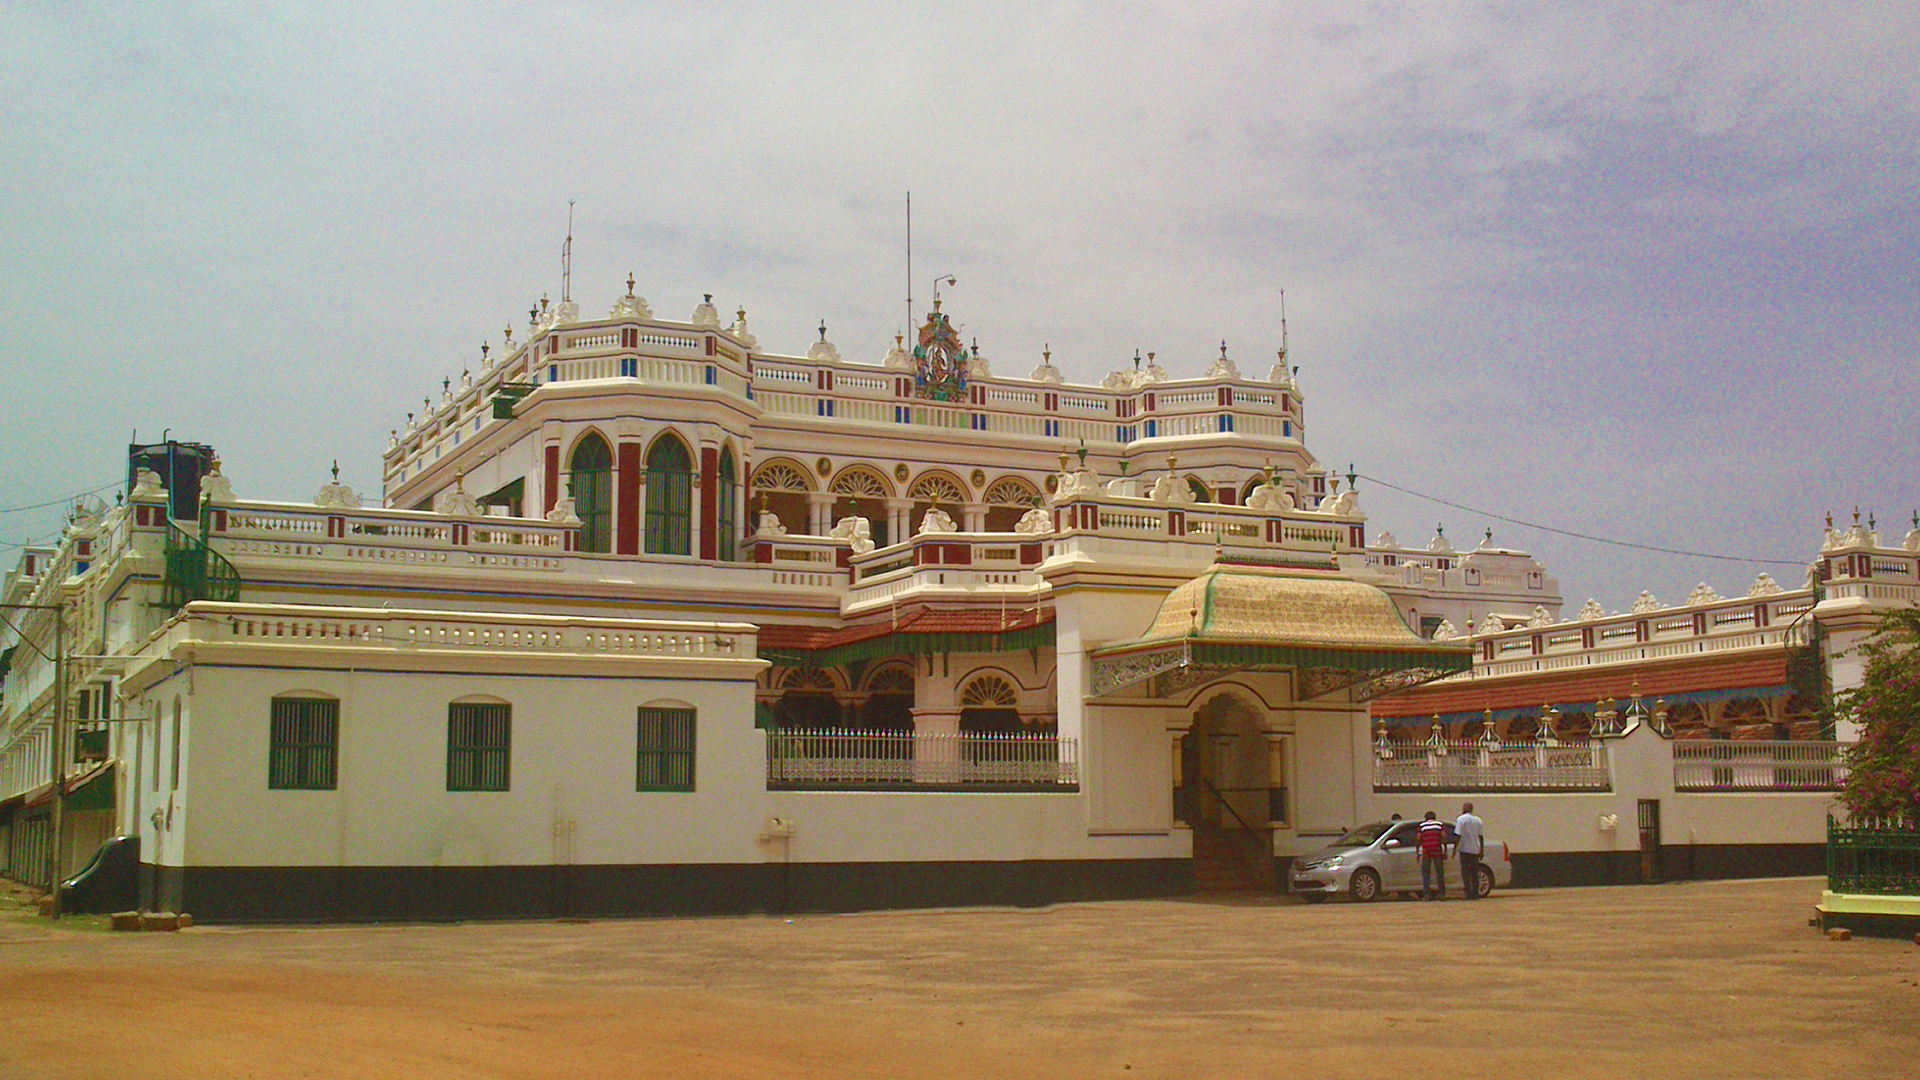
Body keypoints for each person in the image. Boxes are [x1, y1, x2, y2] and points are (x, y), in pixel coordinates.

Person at [1456, 802, 1486, 900]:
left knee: (1465, 873)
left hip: (1464, 849)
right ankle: (1475, 893)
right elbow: (1481, 837)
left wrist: (1455, 847)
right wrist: (1482, 849)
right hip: (1474, 850)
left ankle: (1468, 893)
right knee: (1474, 872)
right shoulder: (1478, 820)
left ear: (1464, 808)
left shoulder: (1460, 819)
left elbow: (1458, 835)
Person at [1417, 810, 1448, 900]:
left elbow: (1418, 839)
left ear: (1426, 818)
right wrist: (1445, 851)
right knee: (1440, 873)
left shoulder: (1421, 826)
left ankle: (1427, 895)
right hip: (1437, 850)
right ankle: (1442, 894)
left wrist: (1417, 852)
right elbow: (1444, 837)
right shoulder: (1439, 825)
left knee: (1426, 873)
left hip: (1426, 851)